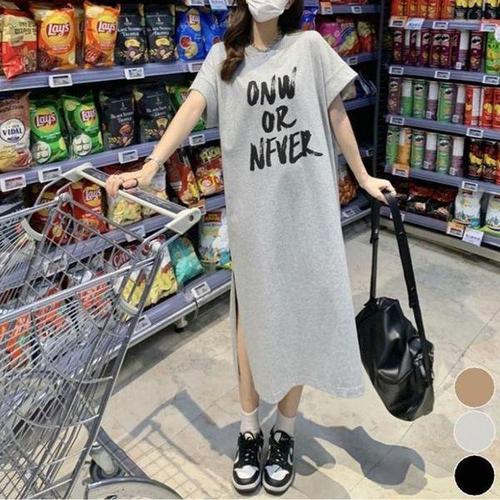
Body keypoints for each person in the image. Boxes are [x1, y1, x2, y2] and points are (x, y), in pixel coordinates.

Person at [106, 0, 396, 495]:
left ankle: (284, 430)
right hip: (255, 218)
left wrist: (364, 176)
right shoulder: (223, 56)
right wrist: (150, 166)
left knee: (299, 318)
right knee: (251, 322)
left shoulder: (310, 47)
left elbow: (336, 115)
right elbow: (191, 108)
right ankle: (248, 429)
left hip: (307, 212)